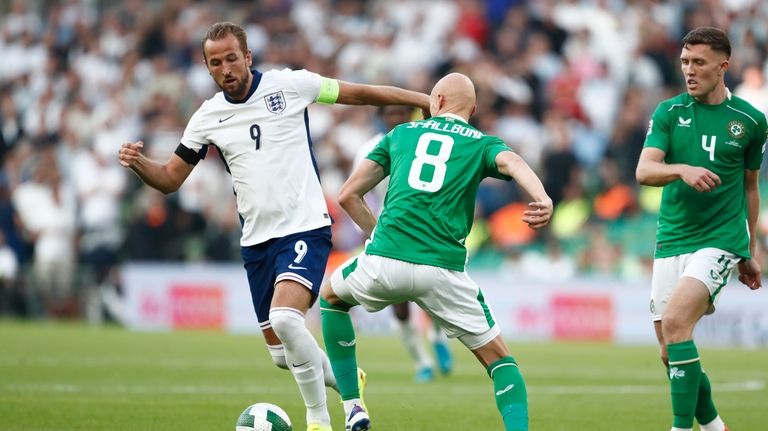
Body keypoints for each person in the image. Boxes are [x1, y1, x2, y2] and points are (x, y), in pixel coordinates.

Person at [118, 22, 429, 431]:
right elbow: (171, 178)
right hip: (256, 242)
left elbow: (358, 93)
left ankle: (321, 419)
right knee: (283, 354)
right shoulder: (208, 117)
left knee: (286, 319)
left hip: (305, 227)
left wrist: (420, 98)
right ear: (209, 69)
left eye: (232, 58)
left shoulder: (290, 86)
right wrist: (140, 163)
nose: (226, 67)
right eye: (216, 62)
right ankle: (348, 380)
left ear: (247, 57)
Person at [319, 72, 553, 431]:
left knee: (332, 298)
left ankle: (352, 405)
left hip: (385, 261)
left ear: (436, 102)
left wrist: (380, 237)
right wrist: (541, 197)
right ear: (473, 109)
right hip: (442, 272)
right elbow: (514, 163)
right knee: (501, 363)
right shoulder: (480, 142)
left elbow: (348, 194)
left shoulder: (399, 135)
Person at [636, 27, 767, 431]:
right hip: (672, 238)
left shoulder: (750, 121)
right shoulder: (669, 113)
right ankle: (715, 427)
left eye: (699, 63)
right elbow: (644, 170)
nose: (689, 71)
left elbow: (750, 188)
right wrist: (682, 169)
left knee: (676, 324)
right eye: (685, 62)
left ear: (723, 66)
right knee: (668, 349)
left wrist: (750, 250)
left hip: (720, 240)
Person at [354, 105, 454, 383]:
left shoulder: (425, 142)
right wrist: (370, 229)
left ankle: (437, 335)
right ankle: (421, 362)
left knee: (433, 291)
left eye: (402, 113)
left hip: (426, 229)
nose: (396, 118)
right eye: (391, 113)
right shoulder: (368, 149)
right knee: (399, 304)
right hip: (389, 234)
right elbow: (357, 192)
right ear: (382, 116)